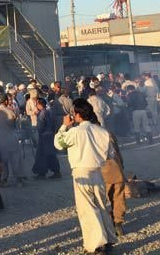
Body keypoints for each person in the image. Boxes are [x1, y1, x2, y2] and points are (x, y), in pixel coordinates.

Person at [54, 99, 116, 255]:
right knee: (101, 206)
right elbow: (111, 154)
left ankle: (96, 244)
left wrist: (64, 126)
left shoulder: (75, 132)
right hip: (98, 172)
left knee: (88, 209)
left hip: (82, 173)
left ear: (77, 115)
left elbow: (58, 143)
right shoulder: (102, 131)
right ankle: (109, 239)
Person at [0, 93, 24, 187]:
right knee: (15, 159)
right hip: (13, 138)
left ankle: (3, 179)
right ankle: (18, 180)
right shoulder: (11, 112)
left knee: (2, 160)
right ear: (6, 101)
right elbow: (17, 125)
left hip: (1, 140)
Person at [100, 128, 126, 237]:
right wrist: (121, 166)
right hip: (115, 168)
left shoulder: (87, 134)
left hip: (100, 171)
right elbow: (117, 151)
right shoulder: (108, 133)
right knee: (118, 197)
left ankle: (104, 226)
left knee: (100, 200)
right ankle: (118, 223)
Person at [32, 98, 61, 180]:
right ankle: (56, 171)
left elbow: (40, 126)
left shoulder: (42, 113)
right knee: (51, 154)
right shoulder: (50, 111)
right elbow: (54, 123)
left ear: (39, 105)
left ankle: (42, 173)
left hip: (44, 136)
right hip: (50, 135)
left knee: (42, 155)